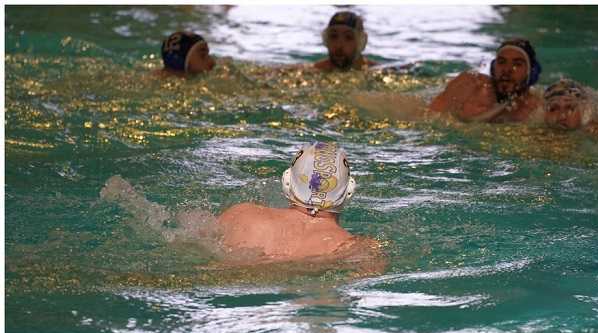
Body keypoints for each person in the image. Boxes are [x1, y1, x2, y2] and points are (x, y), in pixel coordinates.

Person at [101, 142, 385, 273]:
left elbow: (189, 244)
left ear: (287, 184)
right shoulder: (357, 249)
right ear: (349, 193)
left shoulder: (243, 214)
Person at [428, 38, 543, 123]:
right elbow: (429, 118)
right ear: (493, 68)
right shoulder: (472, 86)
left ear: (531, 73)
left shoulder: (537, 109)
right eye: (502, 62)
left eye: (517, 64)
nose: (507, 70)